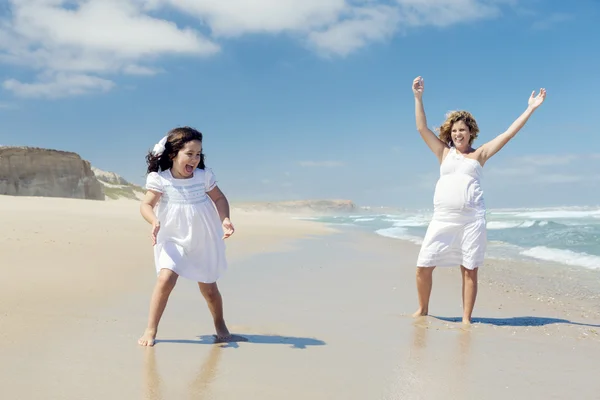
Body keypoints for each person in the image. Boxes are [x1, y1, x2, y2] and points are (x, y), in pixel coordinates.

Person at [411, 76, 546, 324]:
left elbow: (507, 134)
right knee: (423, 266)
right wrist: (418, 97)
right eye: (454, 130)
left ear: (470, 132)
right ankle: (423, 309)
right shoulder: (444, 152)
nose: (458, 133)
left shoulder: (480, 154)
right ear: (449, 134)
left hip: (472, 220)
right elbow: (421, 128)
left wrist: (530, 108)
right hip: (442, 219)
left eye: (462, 129)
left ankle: (465, 318)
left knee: (469, 269)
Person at [137, 126, 235, 346]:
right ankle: (150, 330)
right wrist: (153, 220)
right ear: (173, 154)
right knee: (165, 279)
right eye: (189, 154)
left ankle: (220, 325)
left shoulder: (203, 177)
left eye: (198, 154)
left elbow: (219, 199)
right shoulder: (160, 180)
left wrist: (225, 219)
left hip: (203, 237)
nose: (194, 158)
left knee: (209, 289)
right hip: (172, 235)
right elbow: (146, 204)